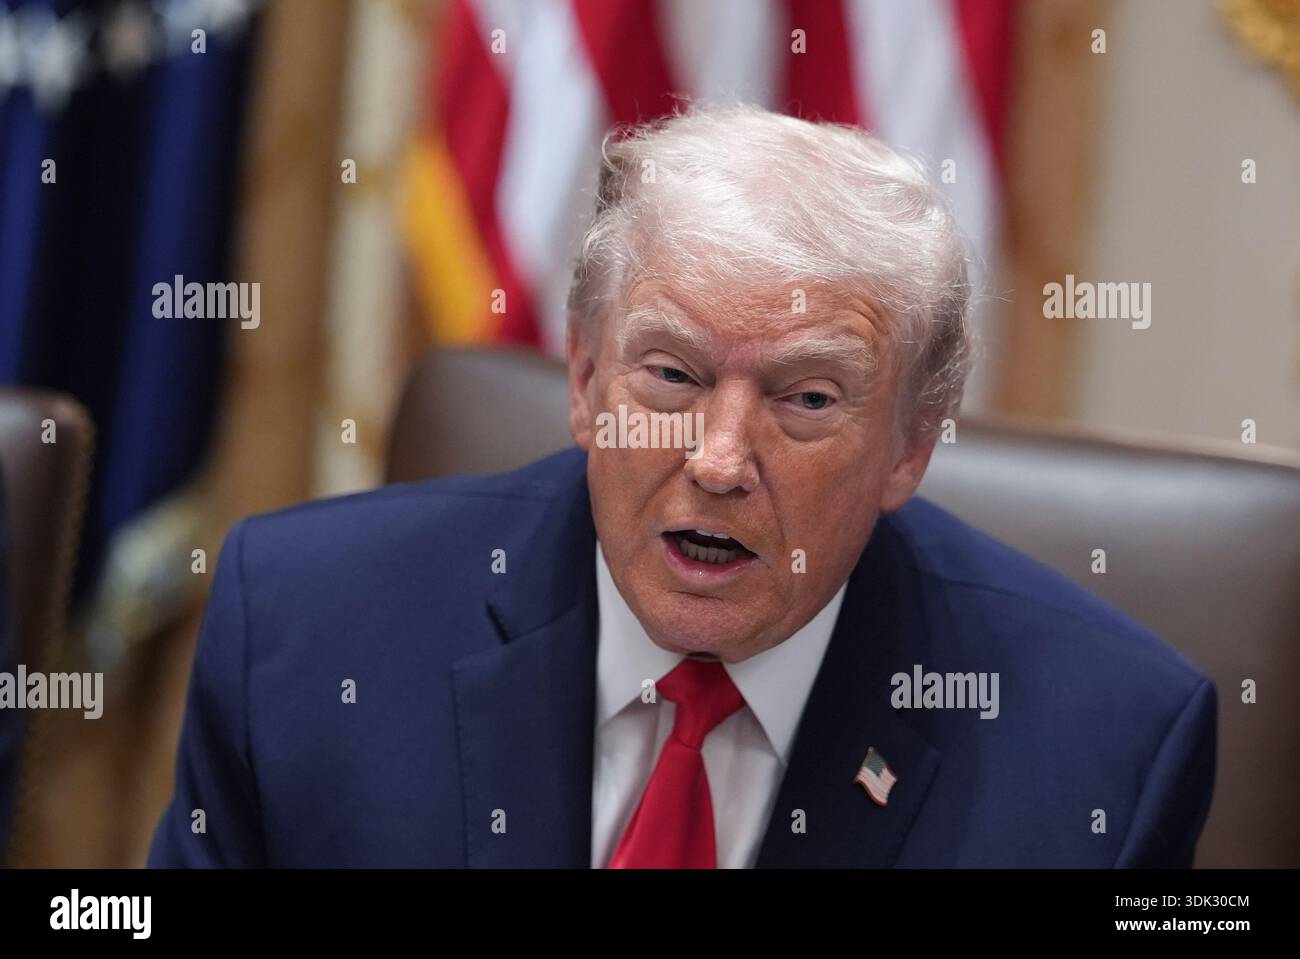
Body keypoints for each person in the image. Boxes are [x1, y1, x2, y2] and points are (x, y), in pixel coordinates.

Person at [149, 103, 1215, 868]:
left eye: (805, 398)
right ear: (581, 376)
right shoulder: (302, 623)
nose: (717, 458)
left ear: (911, 444)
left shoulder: (1102, 753)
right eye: (671, 374)